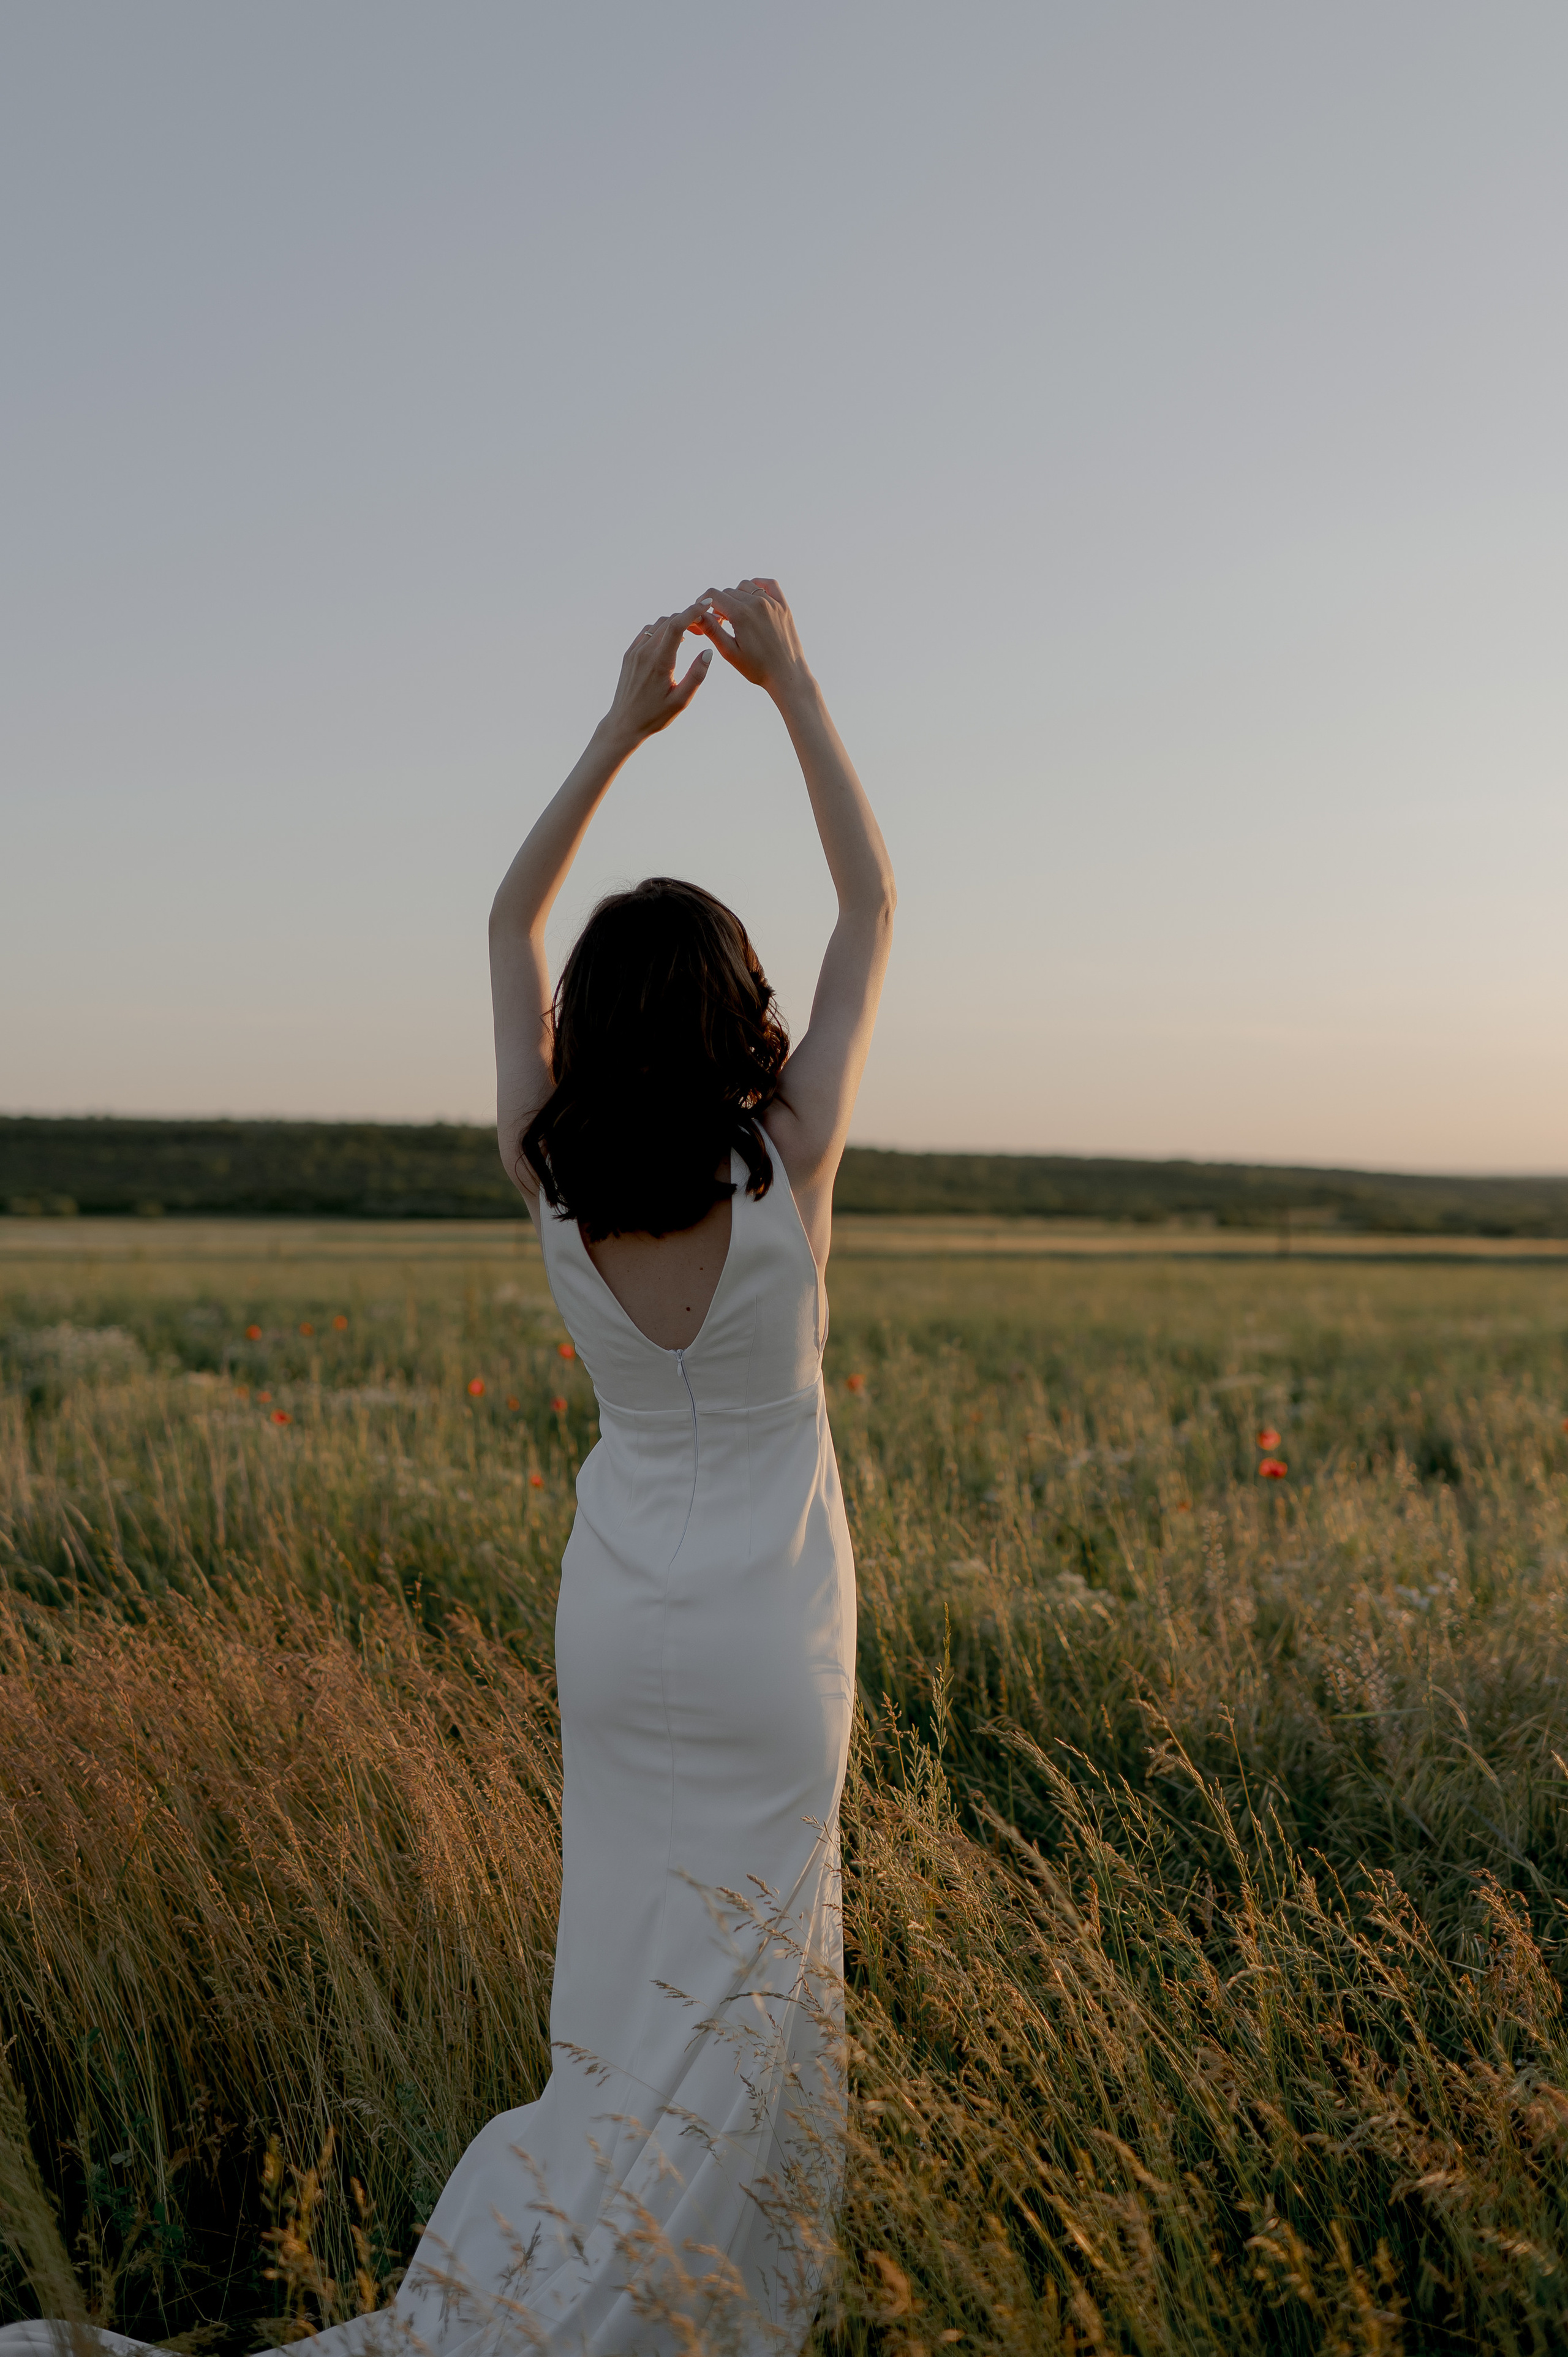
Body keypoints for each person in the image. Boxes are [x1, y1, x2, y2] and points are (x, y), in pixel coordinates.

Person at [0, 580, 893, 2357]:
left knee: (632, 1977)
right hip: (771, 1645)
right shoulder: (788, 1165)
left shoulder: (546, 1169)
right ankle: (709, 2305)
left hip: (621, 1623)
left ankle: (598, 2278)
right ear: (740, 1020)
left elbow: (506, 912)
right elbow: (874, 897)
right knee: (755, 1980)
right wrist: (797, 686)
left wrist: (619, 731)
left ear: (593, 1025)